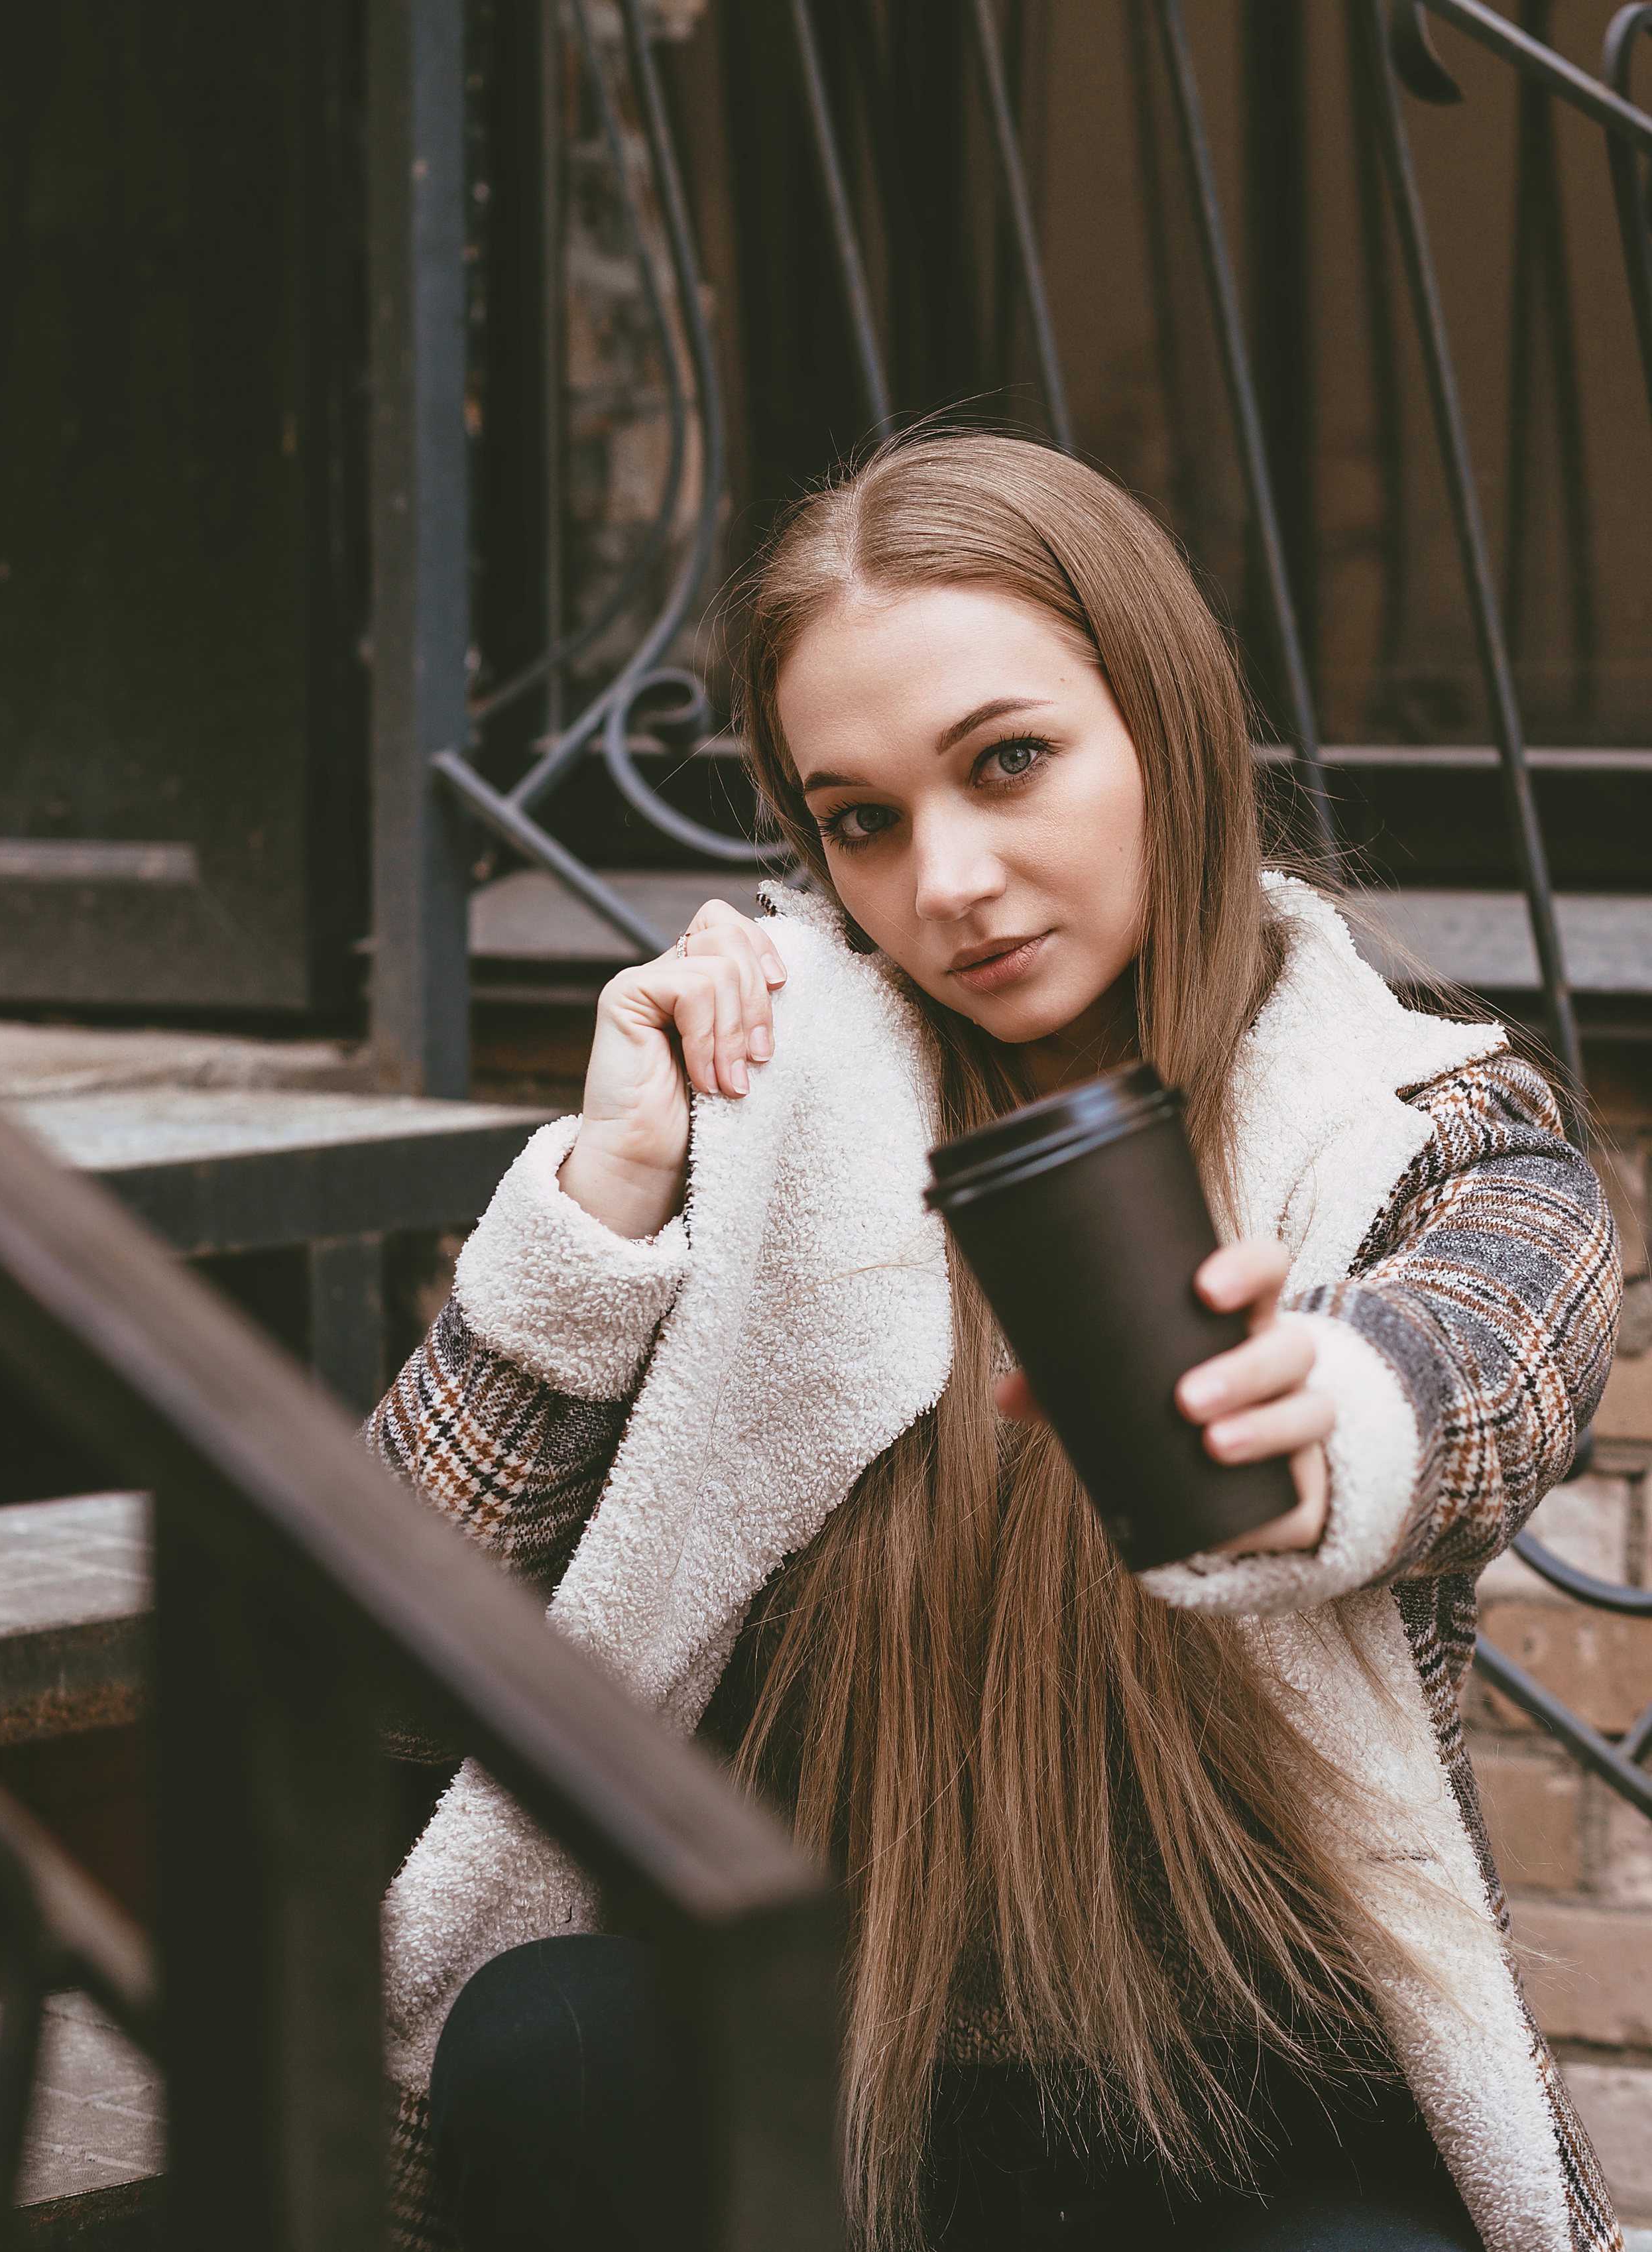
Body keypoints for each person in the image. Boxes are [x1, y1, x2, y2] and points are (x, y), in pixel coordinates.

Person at [372, 434, 1622, 2252]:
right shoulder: (762, 1113)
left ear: (1168, 728)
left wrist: (1324, 1423)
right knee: (545, 2043)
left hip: (1264, 2080)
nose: (946, 881)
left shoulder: (1422, 1130)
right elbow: (389, 1624)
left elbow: (1496, 1355)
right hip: (827, 2071)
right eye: (861, 818)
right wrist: (608, 1192)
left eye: (1010, 762)